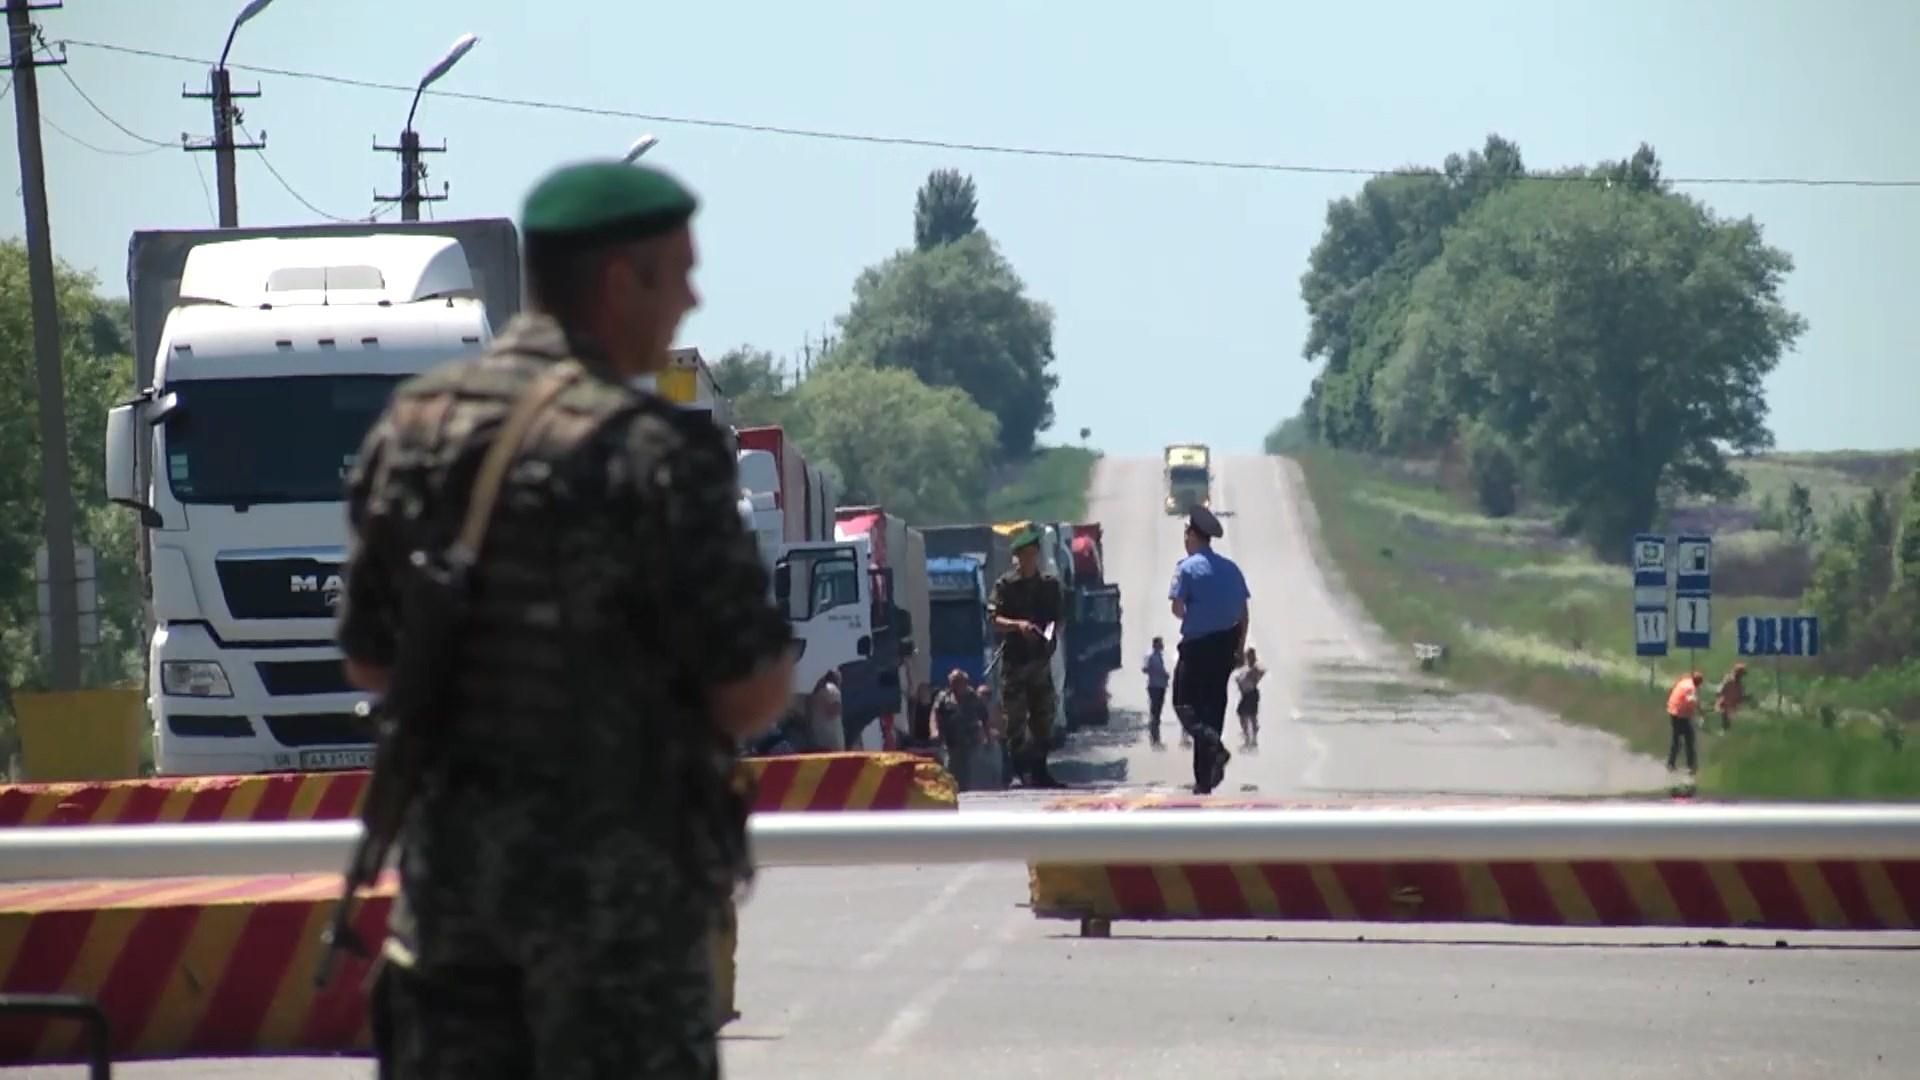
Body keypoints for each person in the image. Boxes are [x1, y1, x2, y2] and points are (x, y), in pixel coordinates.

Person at [336, 159, 795, 1078]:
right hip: (619, 931)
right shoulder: (654, 452)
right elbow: (748, 691)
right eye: (678, 274)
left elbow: (372, 662)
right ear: (619, 282)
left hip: (454, 917)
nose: (692, 299)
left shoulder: (416, 428)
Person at [1168, 506, 1250, 795]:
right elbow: (1243, 612)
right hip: (1225, 646)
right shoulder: (1231, 568)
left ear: (1193, 535)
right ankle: (1204, 779)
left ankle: (1215, 749)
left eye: (1186, 534)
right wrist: (1239, 648)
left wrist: (1194, 613)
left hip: (1196, 647)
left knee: (1184, 705)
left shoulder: (1186, 568)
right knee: (1213, 710)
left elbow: (1177, 608)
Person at [987, 526, 1064, 788]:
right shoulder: (1005, 586)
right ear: (1016, 558)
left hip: (1039, 661)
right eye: (1023, 556)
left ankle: (1040, 770)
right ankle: (1020, 772)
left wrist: (1049, 634)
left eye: (1032, 555)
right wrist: (1018, 626)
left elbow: (1058, 618)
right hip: (1015, 663)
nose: (1028, 560)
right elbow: (994, 619)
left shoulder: (1050, 586)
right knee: (1015, 721)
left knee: (1044, 716)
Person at [932, 668, 991, 791]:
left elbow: (984, 717)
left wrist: (987, 735)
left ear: (965, 682)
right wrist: (935, 730)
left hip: (970, 739)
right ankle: (952, 790)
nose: (956, 685)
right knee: (950, 766)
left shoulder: (973, 697)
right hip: (951, 739)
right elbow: (935, 715)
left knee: (969, 768)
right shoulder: (944, 697)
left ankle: (969, 789)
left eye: (959, 681)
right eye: (953, 682)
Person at [1666, 670, 1704, 776]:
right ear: (1698, 682)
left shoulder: (1684, 681)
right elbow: (1690, 700)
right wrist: (1700, 709)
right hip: (1680, 715)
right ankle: (1691, 766)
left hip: (1673, 711)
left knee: (1677, 740)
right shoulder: (1690, 688)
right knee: (1689, 740)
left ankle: (1671, 763)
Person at [1235, 648, 1266, 748]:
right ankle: (1248, 737)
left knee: (1251, 716)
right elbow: (1239, 676)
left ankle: (1252, 740)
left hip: (1251, 693)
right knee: (1242, 714)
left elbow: (1262, 672)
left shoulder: (1255, 667)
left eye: (1249, 656)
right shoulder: (1246, 667)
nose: (1247, 658)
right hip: (1245, 694)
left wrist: (1253, 675)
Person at [1142, 636, 1170, 747]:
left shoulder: (1159, 656)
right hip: (1154, 685)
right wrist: (1159, 673)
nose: (1162, 645)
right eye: (1160, 643)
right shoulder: (1151, 657)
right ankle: (1154, 733)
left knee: (1158, 708)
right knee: (1155, 708)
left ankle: (1155, 733)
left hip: (1160, 685)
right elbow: (1145, 669)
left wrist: (1164, 675)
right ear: (1156, 645)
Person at [809, 670, 846, 752]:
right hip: (832, 740)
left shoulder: (818, 691)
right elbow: (833, 710)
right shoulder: (833, 689)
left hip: (819, 738)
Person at [1714, 663, 1747, 733]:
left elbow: (1739, 693)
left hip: (1730, 703)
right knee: (1726, 714)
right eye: (1741, 674)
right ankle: (1724, 728)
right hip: (1726, 702)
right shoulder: (1729, 680)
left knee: (1729, 715)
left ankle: (1726, 727)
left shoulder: (1737, 682)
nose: (1742, 676)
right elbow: (1720, 691)